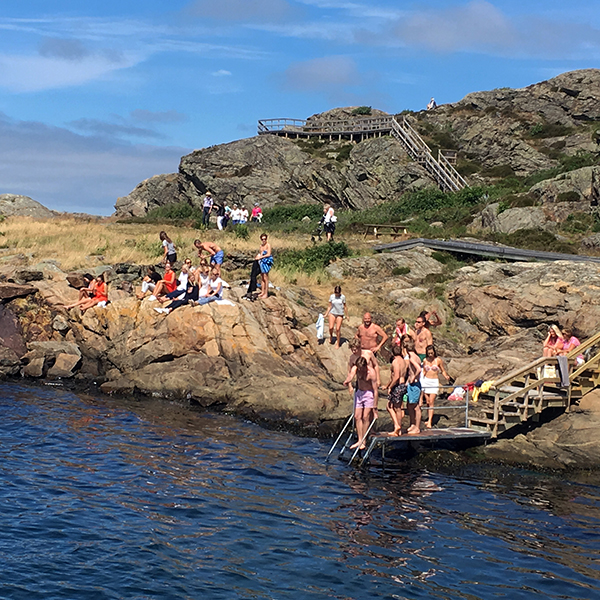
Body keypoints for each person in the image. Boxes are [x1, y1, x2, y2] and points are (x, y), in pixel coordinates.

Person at [343, 356, 378, 451]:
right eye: (359, 368)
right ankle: (359, 439)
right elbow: (351, 375)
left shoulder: (371, 373)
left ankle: (364, 441)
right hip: (359, 393)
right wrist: (348, 380)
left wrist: (375, 407)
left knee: (365, 416)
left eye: (362, 369)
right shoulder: (356, 368)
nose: (361, 370)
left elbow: (375, 390)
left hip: (369, 394)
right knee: (357, 416)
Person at [421, 345, 450, 429]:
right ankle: (428, 419)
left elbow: (443, 370)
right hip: (426, 381)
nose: (430, 355)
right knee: (427, 402)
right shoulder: (425, 360)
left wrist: (446, 376)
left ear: (434, 352)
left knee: (431, 402)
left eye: (432, 353)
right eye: (429, 353)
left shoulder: (438, 360)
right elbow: (423, 371)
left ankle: (430, 421)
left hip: (433, 382)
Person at [385, 345, 408, 436]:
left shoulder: (395, 361)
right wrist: (387, 385)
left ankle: (397, 426)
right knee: (398, 408)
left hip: (397, 386)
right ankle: (399, 429)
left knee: (389, 407)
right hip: (403, 385)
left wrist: (390, 387)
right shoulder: (403, 361)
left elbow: (396, 376)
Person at [403, 337, 423, 435]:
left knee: (416, 406)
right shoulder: (417, 357)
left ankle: (417, 427)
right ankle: (413, 424)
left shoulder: (412, 358)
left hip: (415, 384)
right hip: (411, 384)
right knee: (409, 405)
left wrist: (413, 377)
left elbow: (418, 369)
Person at [256, 233, 273, 300]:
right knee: (262, 277)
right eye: (262, 239)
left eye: (265, 239)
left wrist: (261, 257)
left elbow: (268, 254)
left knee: (266, 278)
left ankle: (266, 293)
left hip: (266, 262)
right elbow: (261, 253)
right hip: (262, 262)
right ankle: (262, 292)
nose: (264, 240)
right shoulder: (261, 246)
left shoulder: (268, 245)